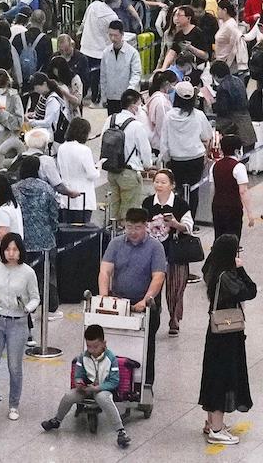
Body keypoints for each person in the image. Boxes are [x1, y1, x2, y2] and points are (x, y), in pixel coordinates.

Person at [99, 208, 167, 386]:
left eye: (137, 227)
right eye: (129, 227)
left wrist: (145, 301)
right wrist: (104, 297)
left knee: (145, 346)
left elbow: (158, 277)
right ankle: (114, 379)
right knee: (115, 341)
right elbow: (105, 271)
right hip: (119, 302)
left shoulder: (155, 247)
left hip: (146, 305)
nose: (133, 232)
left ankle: (145, 383)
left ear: (146, 226)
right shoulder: (116, 243)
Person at [0, 233, 38, 423]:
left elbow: (35, 297)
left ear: (20, 251)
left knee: (14, 366)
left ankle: (13, 405)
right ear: (2, 250)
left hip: (18, 322)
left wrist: (27, 308)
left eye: (15, 249)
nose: (11, 253)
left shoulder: (28, 272)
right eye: (7, 249)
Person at [199, 234, 254, 445]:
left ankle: (211, 421)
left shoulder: (212, 271)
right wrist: (241, 269)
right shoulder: (227, 276)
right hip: (227, 334)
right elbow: (250, 291)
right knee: (223, 377)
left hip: (216, 333)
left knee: (213, 376)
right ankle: (216, 429)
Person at [41, 324, 132, 447]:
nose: (92, 350)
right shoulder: (82, 357)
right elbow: (78, 375)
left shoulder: (111, 359)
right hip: (87, 388)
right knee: (69, 396)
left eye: (96, 346)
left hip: (104, 389)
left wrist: (98, 388)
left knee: (103, 398)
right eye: (89, 346)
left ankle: (121, 431)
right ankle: (57, 420)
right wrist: (79, 383)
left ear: (104, 344)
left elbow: (114, 381)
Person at [142, 169, 194, 337]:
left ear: (172, 185)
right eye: (157, 181)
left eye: (163, 182)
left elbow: (188, 227)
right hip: (151, 253)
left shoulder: (180, 204)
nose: (159, 185)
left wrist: (175, 224)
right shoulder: (148, 203)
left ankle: (174, 318)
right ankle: (153, 318)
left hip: (174, 253)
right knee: (152, 288)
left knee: (175, 288)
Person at [12, 155, 60, 316]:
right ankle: (49, 309)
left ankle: (25, 309)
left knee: (23, 277)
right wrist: (53, 229)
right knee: (47, 275)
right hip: (45, 240)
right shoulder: (46, 188)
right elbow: (54, 214)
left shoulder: (15, 189)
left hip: (22, 241)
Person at [159, 81, 212, 218]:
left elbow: (164, 141)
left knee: (177, 191)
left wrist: (166, 159)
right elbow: (207, 135)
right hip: (196, 159)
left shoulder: (169, 116)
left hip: (177, 160)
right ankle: (190, 221)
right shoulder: (199, 115)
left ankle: (177, 220)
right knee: (193, 191)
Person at [101, 89, 153, 222]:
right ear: (133, 105)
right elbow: (145, 152)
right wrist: (148, 166)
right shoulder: (136, 125)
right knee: (130, 213)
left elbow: (103, 141)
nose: (140, 108)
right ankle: (125, 237)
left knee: (113, 209)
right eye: (139, 105)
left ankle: (111, 236)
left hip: (112, 171)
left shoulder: (110, 120)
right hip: (129, 173)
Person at [210, 134, 256, 241]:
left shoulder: (214, 166)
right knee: (233, 238)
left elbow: (213, 188)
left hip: (217, 206)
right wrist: (250, 213)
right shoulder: (239, 167)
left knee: (219, 237)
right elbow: (243, 191)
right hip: (233, 207)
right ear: (237, 150)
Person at [56, 118, 101, 223]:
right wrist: (98, 168)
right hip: (83, 196)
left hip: (66, 195)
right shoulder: (84, 150)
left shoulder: (62, 148)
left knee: (67, 231)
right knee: (82, 233)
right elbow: (91, 174)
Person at [79, 0, 120, 104]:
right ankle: (95, 101)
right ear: (115, 0)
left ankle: (81, 96)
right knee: (97, 78)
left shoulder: (93, 5)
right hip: (100, 51)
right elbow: (114, 36)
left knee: (84, 75)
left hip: (85, 46)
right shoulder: (112, 17)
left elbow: (83, 22)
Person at [211, 61, 257, 152]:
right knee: (248, 145)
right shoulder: (238, 80)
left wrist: (213, 104)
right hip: (245, 117)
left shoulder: (222, 87)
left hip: (233, 121)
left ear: (215, 75)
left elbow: (223, 109)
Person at [100, 20, 142, 115]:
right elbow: (103, 76)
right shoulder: (106, 52)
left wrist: (129, 91)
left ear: (122, 34)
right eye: (110, 35)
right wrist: (103, 96)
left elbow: (136, 74)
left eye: (116, 35)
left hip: (126, 99)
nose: (113, 38)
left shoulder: (132, 53)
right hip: (111, 97)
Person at [160, 5, 210, 71]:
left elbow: (205, 56)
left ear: (188, 18)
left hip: (198, 68)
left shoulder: (198, 32)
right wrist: (164, 68)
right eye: (175, 15)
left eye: (179, 15)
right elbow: (172, 52)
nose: (176, 18)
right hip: (183, 68)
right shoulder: (179, 34)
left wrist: (191, 48)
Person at [143, 70, 177, 156]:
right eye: (174, 84)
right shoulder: (161, 102)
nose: (174, 87)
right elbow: (162, 127)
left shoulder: (158, 98)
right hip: (158, 145)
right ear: (167, 84)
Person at [214, 0, 244, 72]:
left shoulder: (230, 25)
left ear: (224, 10)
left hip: (226, 63)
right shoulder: (223, 23)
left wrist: (227, 64)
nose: (217, 12)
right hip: (220, 59)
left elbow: (234, 46)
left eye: (218, 9)